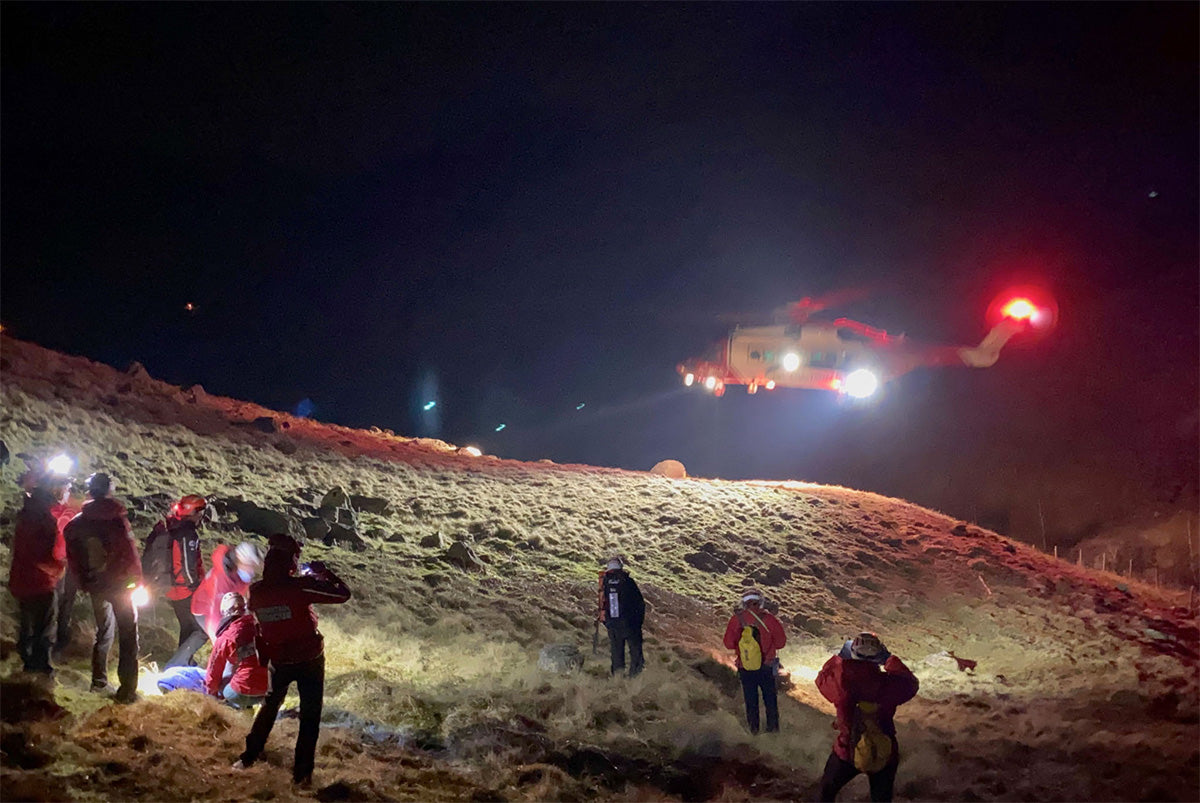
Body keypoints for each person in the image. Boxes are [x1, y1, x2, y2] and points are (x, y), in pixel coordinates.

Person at [235, 533, 350, 787]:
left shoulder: (256, 591)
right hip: (309, 658)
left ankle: (248, 756)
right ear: (290, 563)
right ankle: (302, 774)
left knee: (269, 707)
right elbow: (342, 595)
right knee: (310, 717)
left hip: (279, 659)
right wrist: (323, 574)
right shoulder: (299, 587)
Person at [63, 472, 142, 702]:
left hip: (96, 585)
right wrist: (136, 581)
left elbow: (73, 556)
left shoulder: (77, 523)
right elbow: (130, 553)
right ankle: (127, 690)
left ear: (90, 491)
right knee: (128, 636)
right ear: (109, 490)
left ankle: (99, 681)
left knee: (103, 632)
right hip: (121, 587)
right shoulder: (117, 519)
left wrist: (84, 582)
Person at [815, 632, 920, 802]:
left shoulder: (841, 681)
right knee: (881, 798)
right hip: (884, 749)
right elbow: (910, 683)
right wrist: (889, 659)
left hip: (847, 748)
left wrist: (840, 657)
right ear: (878, 656)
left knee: (826, 792)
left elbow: (822, 677)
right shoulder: (888, 683)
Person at [9, 469, 70, 675]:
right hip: (41, 580)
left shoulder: (29, 512)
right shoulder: (42, 516)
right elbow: (38, 553)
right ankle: (40, 672)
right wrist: (58, 568)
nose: (68, 492)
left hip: (24, 578)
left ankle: (29, 668)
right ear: (54, 490)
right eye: (66, 488)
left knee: (29, 627)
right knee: (43, 629)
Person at [176, 541, 263, 664]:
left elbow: (243, 595)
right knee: (207, 635)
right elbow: (214, 611)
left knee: (204, 635)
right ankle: (176, 664)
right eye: (250, 565)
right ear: (240, 561)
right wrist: (217, 640)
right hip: (204, 607)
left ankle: (180, 662)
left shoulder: (240, 574)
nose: (251, 569)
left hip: (224, 607)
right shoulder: (222, 578)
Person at [150, 495, 207, 667]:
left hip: (172, 587)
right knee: (199, 630)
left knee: (187, 627)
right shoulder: (188, 534)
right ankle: (176, 666)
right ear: (195, 512)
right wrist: (195, 586)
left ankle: (185, 664)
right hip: (184, 589)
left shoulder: (174, 528)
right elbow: (187, 563)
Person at [722, 588, 787, 734]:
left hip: (745, 666)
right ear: (760, 602)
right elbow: (781, 643)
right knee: (770, 700)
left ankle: (754, 732)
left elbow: (728, 644)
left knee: (751, 701)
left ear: (744, 603)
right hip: (766, 666)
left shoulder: (736, 620)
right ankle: (773, 732)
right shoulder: (769, 619)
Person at [205, 592, 268, 708]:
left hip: (241, 693)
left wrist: (211, 696)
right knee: (242, 669)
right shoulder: (260, 628)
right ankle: (247, 711)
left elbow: (213, 671)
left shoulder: (226, 637)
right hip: (268, 689)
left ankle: (232, 711)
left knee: (225, 679)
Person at [597, 556, 645, 677]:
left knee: (617, 653)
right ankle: (635, 678)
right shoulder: (628, 582)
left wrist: (606, 621)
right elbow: (640, 603)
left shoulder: (605, 583)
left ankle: (617, 679)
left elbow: (603, 604)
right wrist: (638, 622)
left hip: (612, 625)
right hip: (630, 625)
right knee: (636, 653)